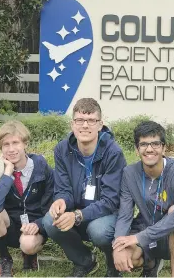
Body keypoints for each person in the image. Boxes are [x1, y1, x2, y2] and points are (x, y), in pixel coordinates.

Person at [43, 98, 127, 277]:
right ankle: (84, 261)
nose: (85, 126)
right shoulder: (62, 149)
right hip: (76, 210)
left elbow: (111, 201)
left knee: (99, 231)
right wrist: (60, 201)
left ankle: (113, 265)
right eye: (79, 120)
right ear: (72, 124)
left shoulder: (113, 153)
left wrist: (77, 216)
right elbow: (63, 188)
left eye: (91, 121)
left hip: (107, 215)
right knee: (50, 222)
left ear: (100, 124)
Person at [0, 120, 54, 277]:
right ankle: (5, 259)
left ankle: (29, 253)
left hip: (34, 227)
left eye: (16, 143)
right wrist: (7, 174)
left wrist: (38, 224)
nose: (11, 149)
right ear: (0, 148)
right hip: (10, 227)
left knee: (28, 245)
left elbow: (51, 204)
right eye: (6, 145)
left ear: (25, 144)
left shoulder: (42, 168)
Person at [112, 121, 174, 277]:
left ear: (164, 148)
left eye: (155, 144)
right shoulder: (130, 173)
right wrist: (118, 245)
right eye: (143, 144)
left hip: (169, 234)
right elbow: (124, 215)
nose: (149, 149)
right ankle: (150, 263)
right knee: (128, 257)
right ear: (137, 149)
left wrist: (139, 237)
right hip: (144, 227)